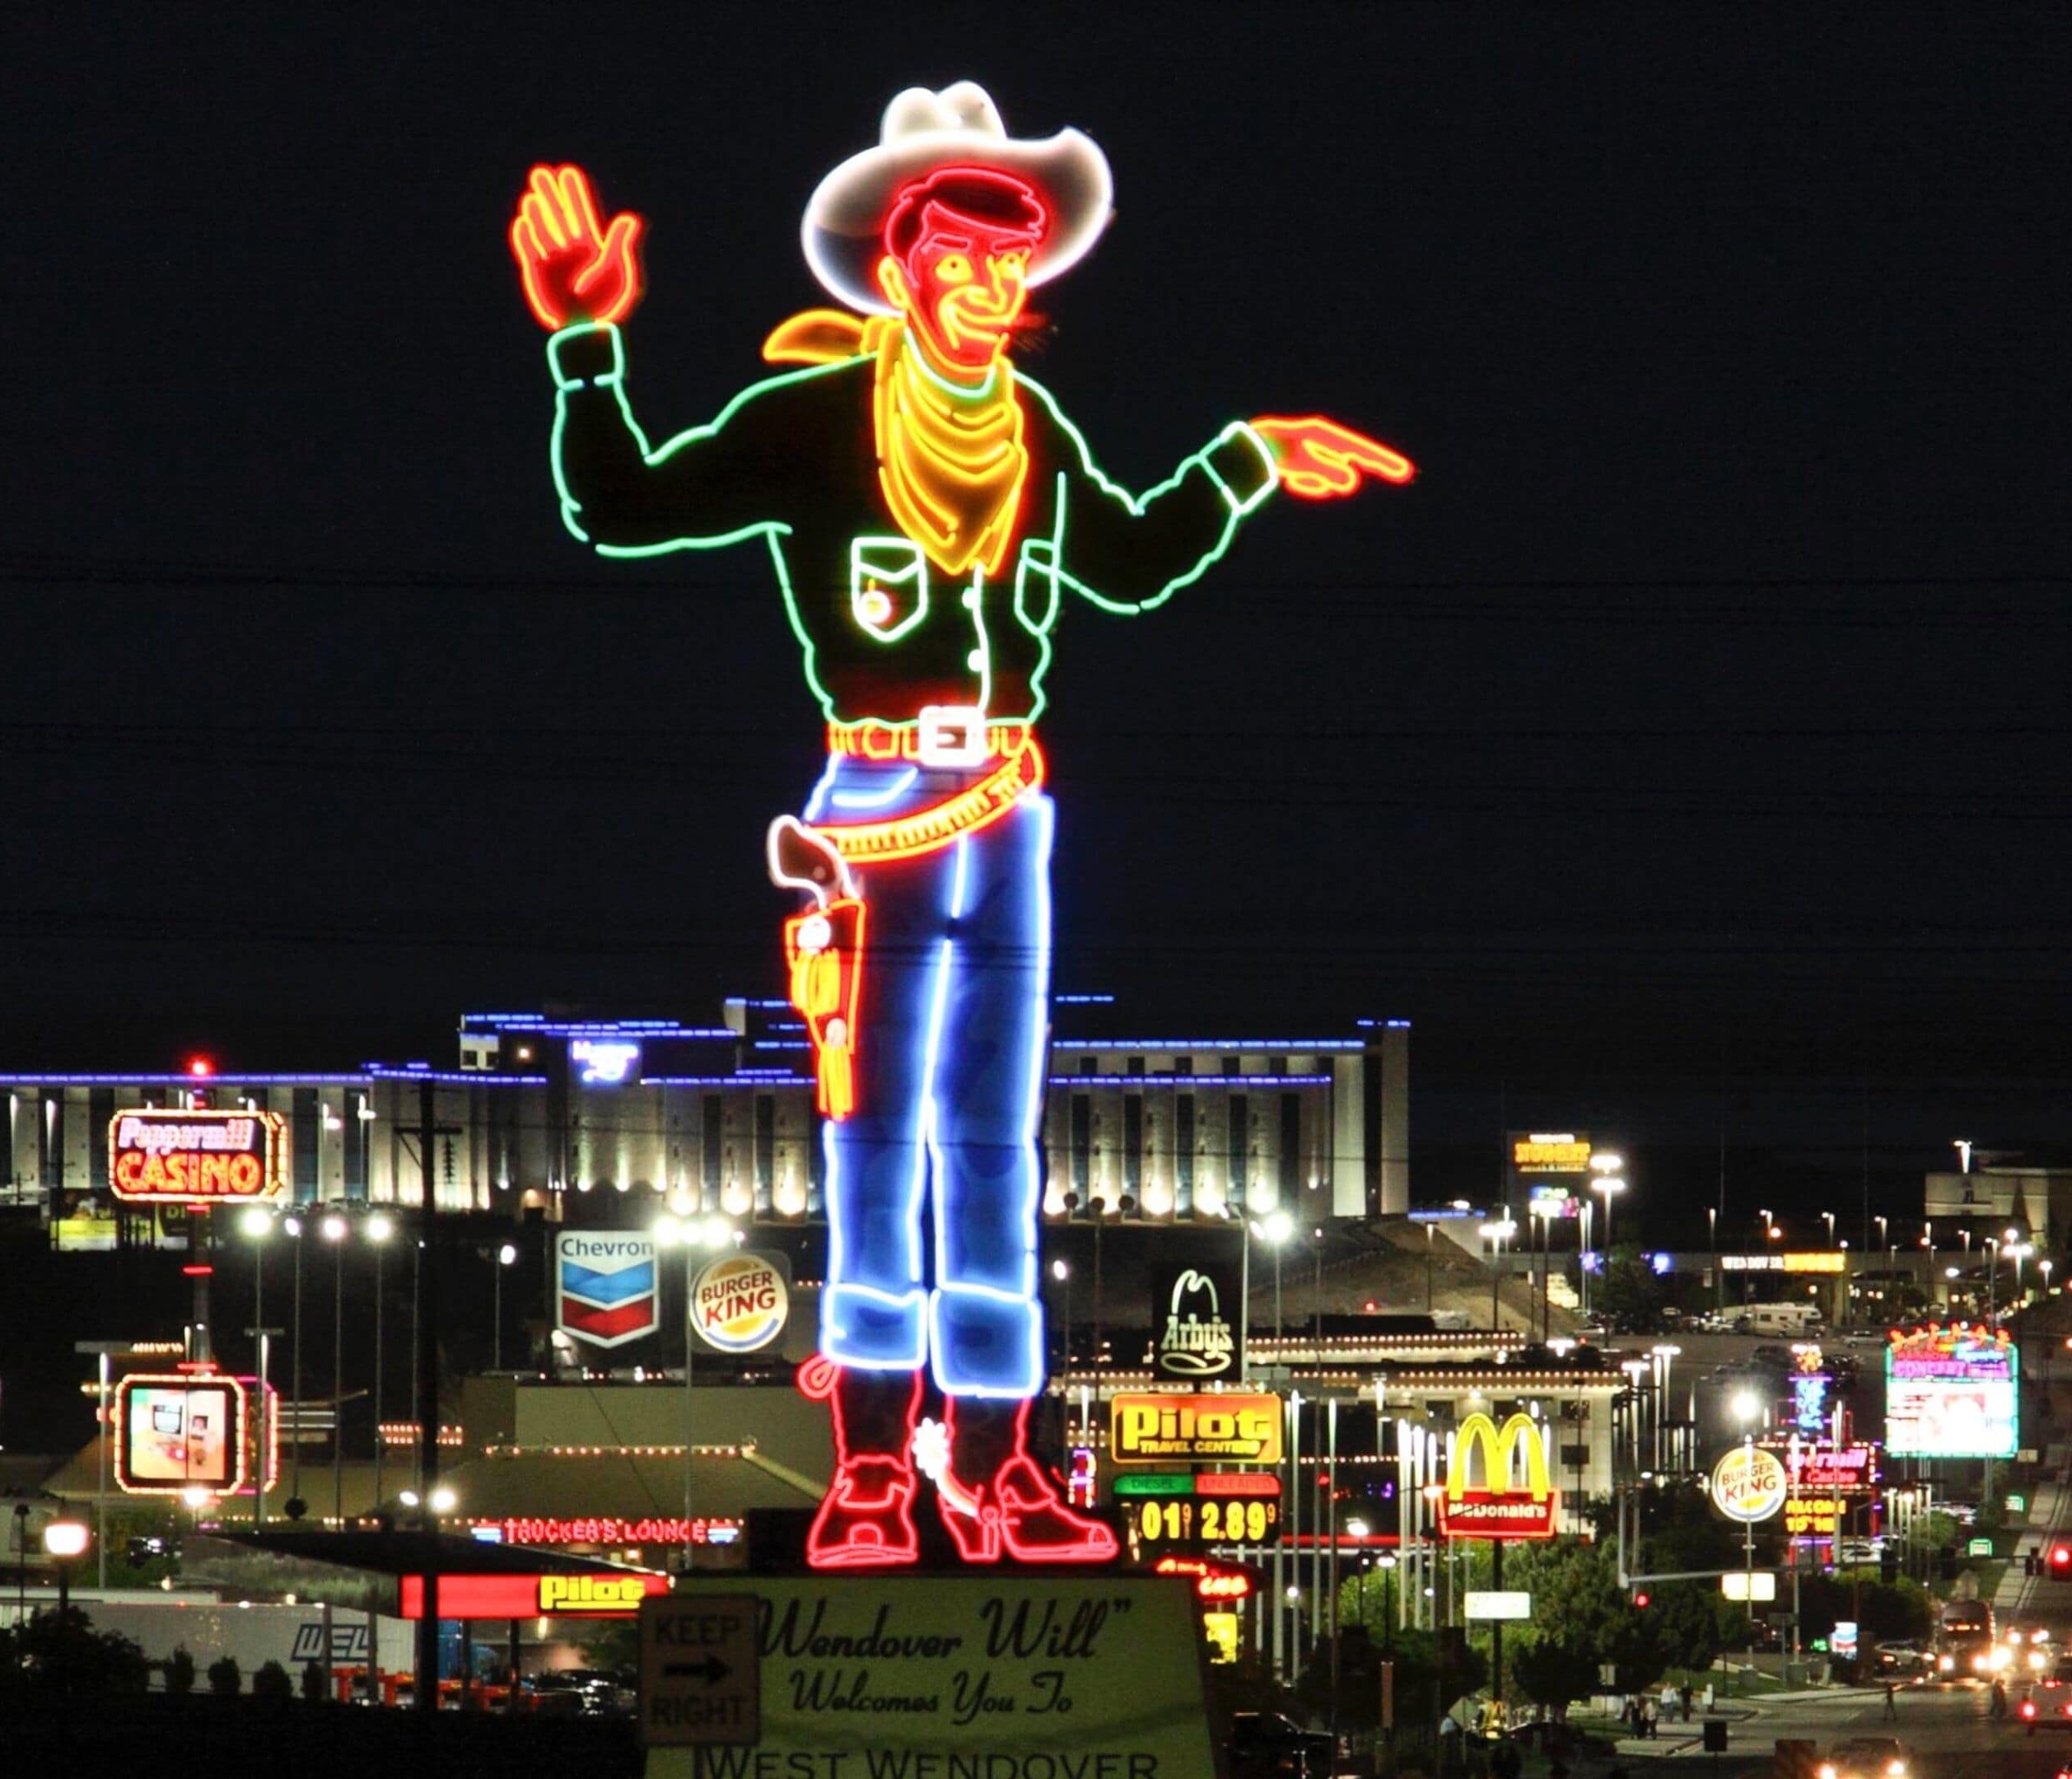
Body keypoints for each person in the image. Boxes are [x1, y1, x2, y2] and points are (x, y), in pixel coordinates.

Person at [513, 84, 1407, 1569]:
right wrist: (584, 343)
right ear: (905, 267)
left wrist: (1246, 461)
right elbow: (617, 502)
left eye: (1018, 260)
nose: (995, 286)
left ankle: (995, 1461)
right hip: (872, 810)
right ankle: (871, 1463)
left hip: (1009, 817)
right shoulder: (813, 421)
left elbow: (1124, 559)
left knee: (995, 1146)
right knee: (874, 1139)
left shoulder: (1034, 429)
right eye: (968, 257)